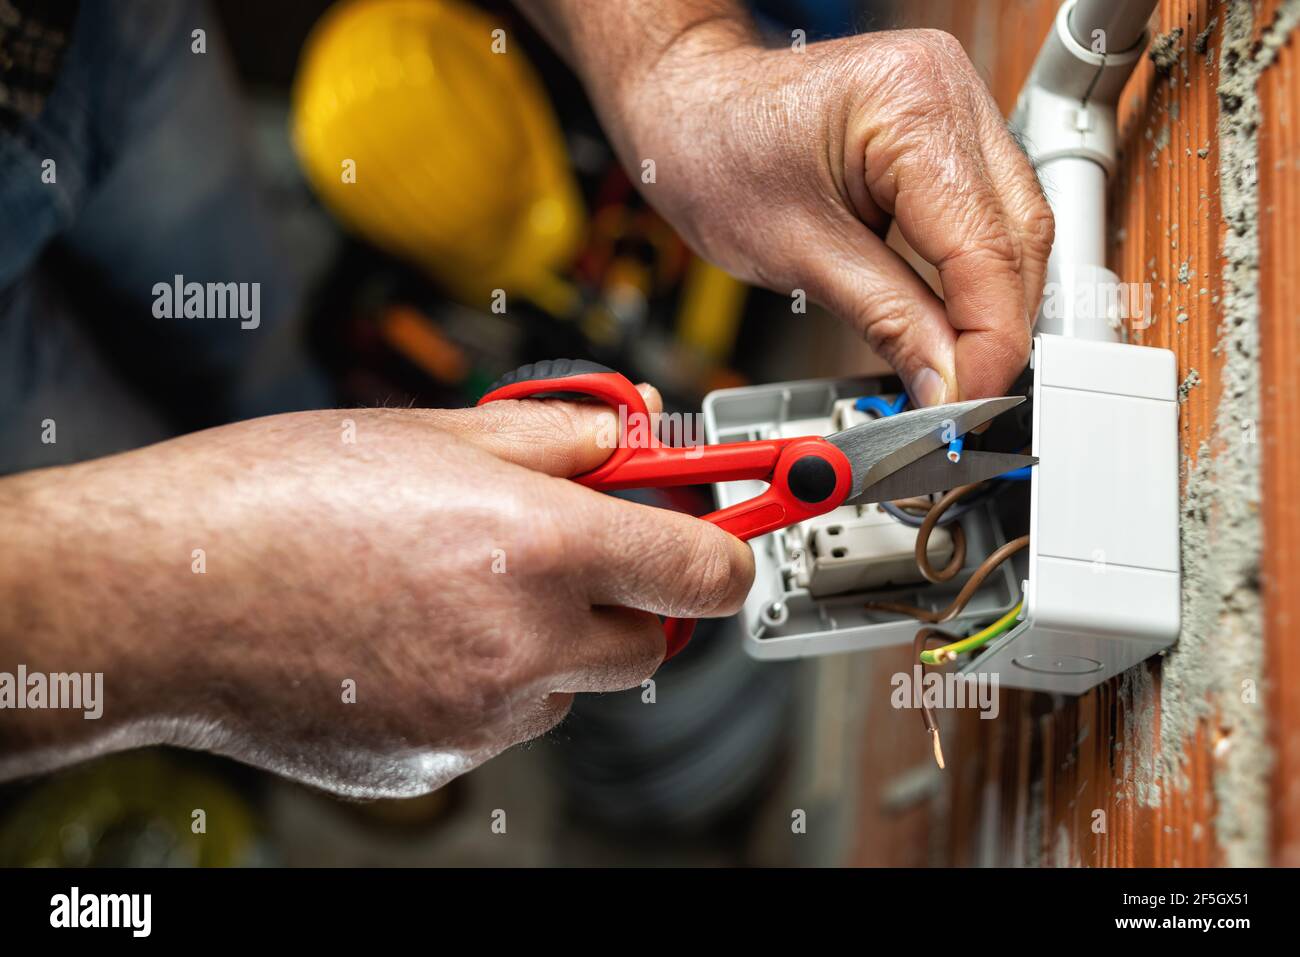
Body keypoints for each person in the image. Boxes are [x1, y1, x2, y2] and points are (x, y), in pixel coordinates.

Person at [0, 0, 1051, 797]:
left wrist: (674, 58)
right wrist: (190, 617)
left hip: (78, 35)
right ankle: (247, 758)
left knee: (258, 363)